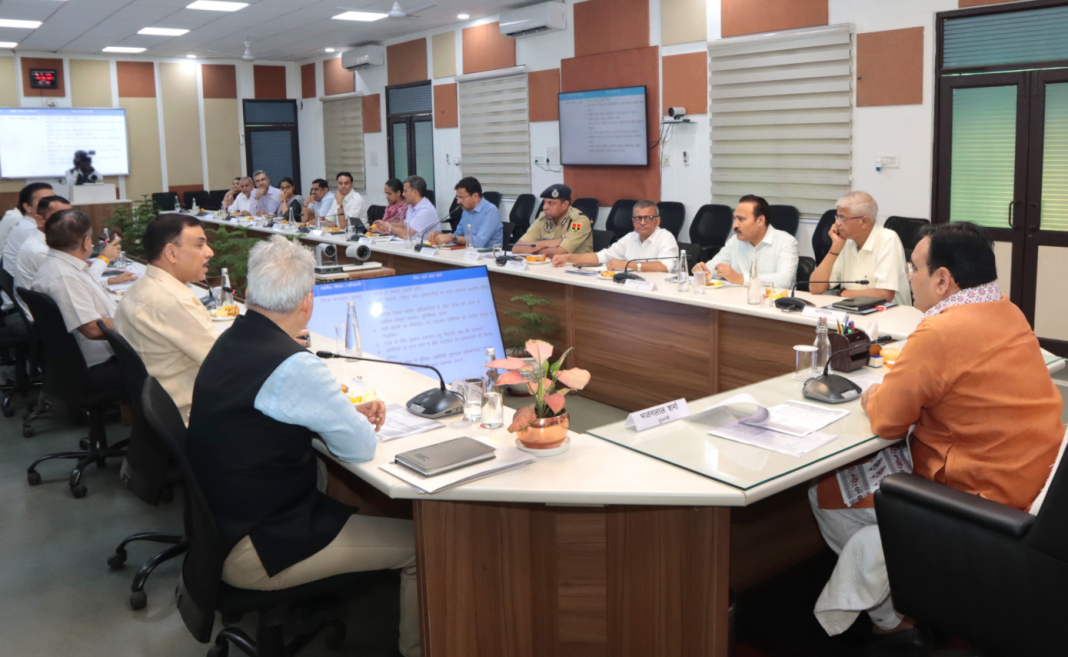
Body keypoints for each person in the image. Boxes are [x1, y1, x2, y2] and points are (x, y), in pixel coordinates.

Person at [808, 222, 1064, 654]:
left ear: (943, 279)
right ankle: (901, 591)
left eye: (914, 267)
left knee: (826, 491)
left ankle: (896, 617)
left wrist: (871, 394)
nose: (909, 276)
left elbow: (887, 420)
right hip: (1036, 484)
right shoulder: (1007, 310)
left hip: (982, 501)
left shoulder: (940, 330)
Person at [186, 235, 419, 657]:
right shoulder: (293, 364)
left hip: (220, 531)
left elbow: (263, 412)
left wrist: (337, 410)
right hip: (256, 549)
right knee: (422, 548)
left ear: (249, 290)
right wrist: (346, 417)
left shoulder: (233, 338)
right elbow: (360, 449)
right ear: (307, 303)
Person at [114, 214, 217, 424]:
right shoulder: (173, 302)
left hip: (160, 414)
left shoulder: (136, 289)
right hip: (192, 416)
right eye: (200, 245)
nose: (210, 252)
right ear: (171, 252)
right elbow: (228, 364)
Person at [31, 210, 119, 370]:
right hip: (104, 361)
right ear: (86, 242)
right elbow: (93, 329)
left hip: (91, 355)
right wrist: (136, 323)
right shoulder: (64, 276)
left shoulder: (61, 264)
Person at [15, 196, 132, 306]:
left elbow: (78, 283)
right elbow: (75, 284)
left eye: (71, 215)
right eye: (60, 216)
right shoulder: (40, 252)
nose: (69, 221)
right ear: (40, 220)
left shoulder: (46, 246)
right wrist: (104, 258)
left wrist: (109, 281)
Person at [808, 191, 911, 306]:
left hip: (889, 314)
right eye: (837, 217)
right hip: (853, 311)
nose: (837, 223)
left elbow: (884, 294)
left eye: (842, 218)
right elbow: (815, 287)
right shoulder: (847, 242)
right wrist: (834, 249)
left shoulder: (887, 239)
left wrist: (842, 293)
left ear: (864, 221)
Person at [692, 194, 799, 289]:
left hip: (771, 302)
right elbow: (715, 266)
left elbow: (784, 280)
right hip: (735, 300)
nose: (735, 225)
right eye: (735, 219)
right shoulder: (734, 241)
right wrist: (704, 271)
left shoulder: (786, 242)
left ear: (760, 221)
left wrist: (740, 278)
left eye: (741, 219)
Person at [552, 200, 678, 272]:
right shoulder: (630, 237)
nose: (642, 222)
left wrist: (626, 265)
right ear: (633, 221)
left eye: (648, 218)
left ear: (658, 221)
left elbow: (665, 267)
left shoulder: (665, 237)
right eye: (638, 218)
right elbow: (602, 256)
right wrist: (568, 258)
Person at [512, 184, 593, 255]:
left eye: (551, 203)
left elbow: (560, 253)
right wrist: (545, 243)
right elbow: (517, 249)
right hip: (550, 265)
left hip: (576, 266)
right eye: (545, 202)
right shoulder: (543, 218)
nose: (545, 207)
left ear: (564, 205)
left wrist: (532, 250)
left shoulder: (579, 221)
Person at [426, 177, 503, 248]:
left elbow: (479, 242)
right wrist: (439, 235)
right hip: (468, 253)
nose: (458, 202)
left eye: (461, 198)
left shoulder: (490, 211)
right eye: (457, 197)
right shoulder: (466, 211)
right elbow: (457, 236)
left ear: (475, 196)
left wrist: (451, 238)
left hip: (487, 255)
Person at [2, 182, 53, 277]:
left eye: (54, 199)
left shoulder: (28, 224)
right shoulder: (29, 230)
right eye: (44, 201)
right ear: (28, 207)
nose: (52, 204)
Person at [372, 176, 438, 242]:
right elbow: (404, 224)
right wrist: (384, 224)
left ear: (415, 192)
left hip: (425, 246)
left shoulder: (425, 210)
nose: (403, 194)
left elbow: (406, 234)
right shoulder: (411, 206)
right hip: (410, 244)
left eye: (405, 191)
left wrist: (389, 228)